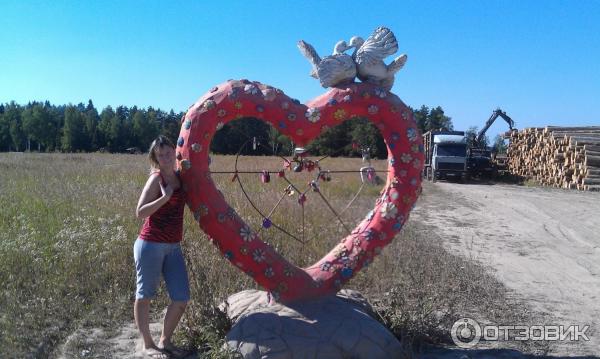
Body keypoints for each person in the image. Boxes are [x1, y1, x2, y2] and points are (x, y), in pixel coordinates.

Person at [134, 135, 189, 358]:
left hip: (173, 246)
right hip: (150, 245)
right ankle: (148, 344)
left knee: (181, 296)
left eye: (168, 153)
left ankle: (165, 340)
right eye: (160, 154)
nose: (165, 157)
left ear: (174, 152)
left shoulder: (180, 176)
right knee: (145, 294)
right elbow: (140, 212)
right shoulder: (156, 179)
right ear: (155, 157)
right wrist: (164, 199)